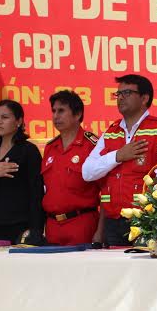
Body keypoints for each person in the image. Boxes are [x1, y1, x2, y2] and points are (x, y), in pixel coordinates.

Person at [82, 74, 157, 246]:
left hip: (148, 220)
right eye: (118, 94)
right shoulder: (111, 131)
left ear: (144, 98)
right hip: (113, 221)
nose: (120, 98)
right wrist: (117, 156)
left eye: (127, 93)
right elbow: (87, 172)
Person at [0, 100, 44, 244]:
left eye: (4, 117)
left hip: (21, 224)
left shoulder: (28, 150)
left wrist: (36, 229)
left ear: (19, 121)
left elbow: (37, 193)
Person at [41, 90, 104, 245]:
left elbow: (107, 194)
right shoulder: (50, 148)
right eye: (54, 111)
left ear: (77, 114)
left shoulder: (92, 146)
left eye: (61, 111)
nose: (56, 116)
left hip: (81, 223)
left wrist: (101, 231)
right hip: (52, 226)